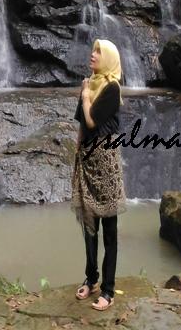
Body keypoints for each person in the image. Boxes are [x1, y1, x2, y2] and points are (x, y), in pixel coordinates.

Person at [70, 38, 127, 311]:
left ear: (108, 58)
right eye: (93, 50)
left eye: (98, 52)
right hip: (88, 160)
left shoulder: (111, 87)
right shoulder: (90, 83)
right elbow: (83, 125)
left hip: (106, 162)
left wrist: (84, 96)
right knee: (89, 225)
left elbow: (92, 119)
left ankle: (108, 289)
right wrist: (77, 152)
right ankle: (91, 279)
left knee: (110, 230)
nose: (92, 55)